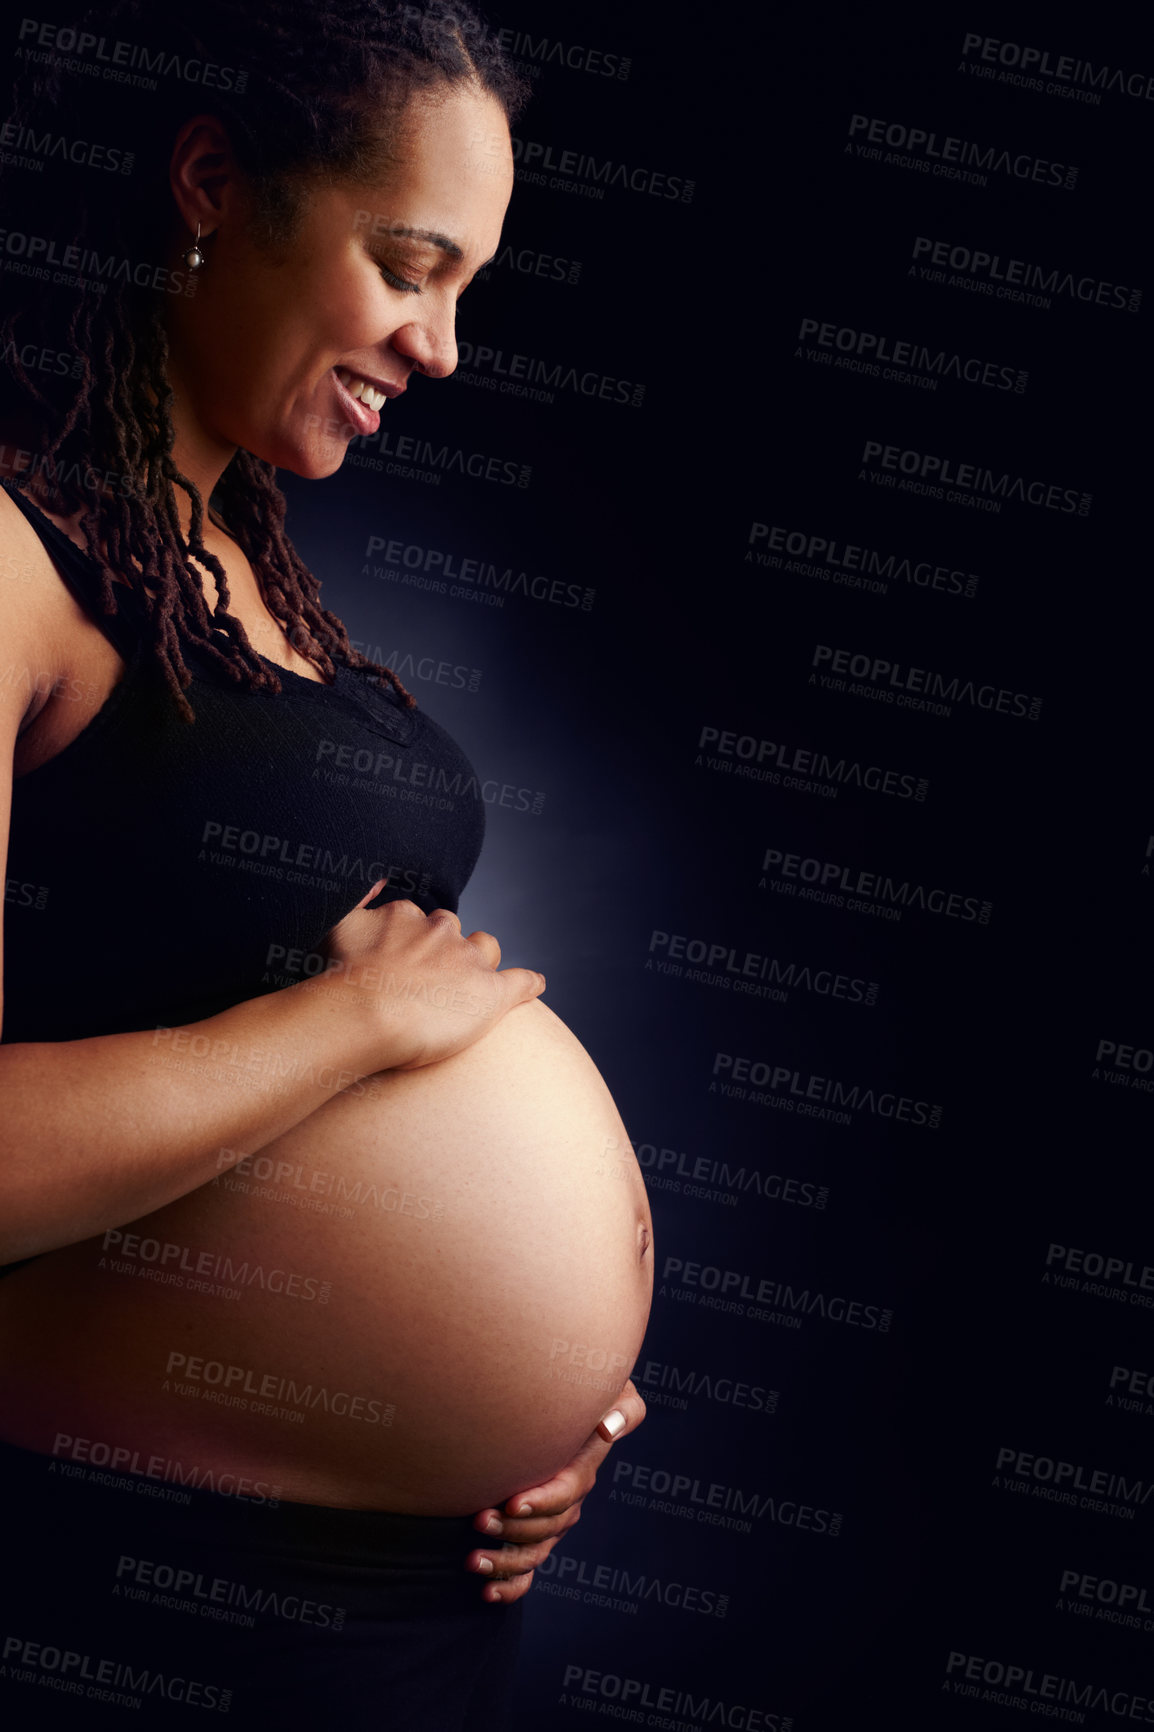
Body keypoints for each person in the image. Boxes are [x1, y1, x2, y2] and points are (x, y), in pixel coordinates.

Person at [0, 2, 651, 1725]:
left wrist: (518, 1406)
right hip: (144, 1600)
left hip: (402, 1593)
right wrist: (349, 1034)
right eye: (409, 264)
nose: (441, 345)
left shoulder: (237, 570)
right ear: (213, 181)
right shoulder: (8, 559)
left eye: (470, 288)